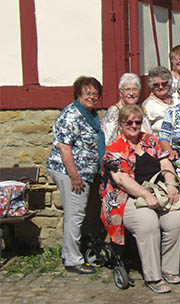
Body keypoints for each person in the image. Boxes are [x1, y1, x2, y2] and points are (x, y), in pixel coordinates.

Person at [101, 105, 180, 293]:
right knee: (148, 223)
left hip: (157, 190)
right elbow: (121, 179)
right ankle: (153, 276)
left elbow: (165, 162)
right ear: (121, 125)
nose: (133, 125)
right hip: (126, 197)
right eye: (128, 122)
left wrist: (171, 185)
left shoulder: (151, 141)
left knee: (177, 219)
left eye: (137, 122)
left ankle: (169, 268)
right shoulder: (114, 148)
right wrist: (145, 195)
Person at [46, 76, 104, 274]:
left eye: (95, 94)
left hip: (83, 173)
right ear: (78, 94)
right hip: (70, 173)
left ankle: (68, 253)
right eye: (87, 93)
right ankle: (73, 260)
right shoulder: (71, 115)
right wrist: (75, 176)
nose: (92, 97)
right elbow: (64, 148)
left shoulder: (91, 115)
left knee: (76, 214)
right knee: (75, 215)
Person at [101, 73, 152, 145]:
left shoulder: (141, 110)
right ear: (121, 93)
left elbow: (149, 134)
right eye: (127, 89)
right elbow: (108, 140)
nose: (131, 93)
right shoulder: (114, 112)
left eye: (135, 89)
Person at [142, 66, 174, 135]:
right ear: (151, 86)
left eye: (164, 83)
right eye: (156, 85)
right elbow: (146, 132)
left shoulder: (177, 100)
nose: (161, 87)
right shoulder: (148, 105)